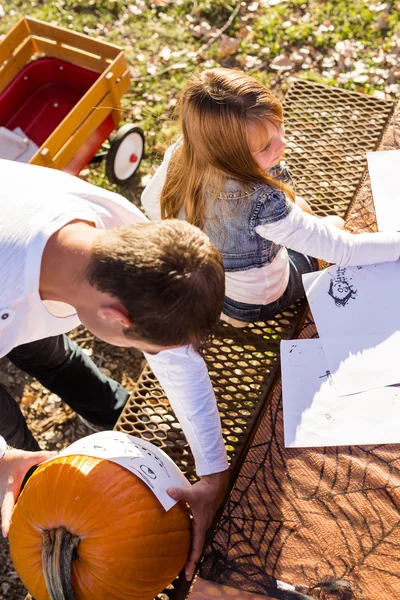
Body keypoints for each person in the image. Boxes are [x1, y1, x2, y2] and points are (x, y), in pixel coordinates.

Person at [0, 159, 229, 579]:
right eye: (147, 347)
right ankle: (28, 480)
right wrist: (1, 456)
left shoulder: (123, 231)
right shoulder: (7, 288)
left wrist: (214, 472)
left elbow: (177, 355)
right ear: (117, 316)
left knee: (49, 352)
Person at [141, 67, 400, 326]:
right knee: (335, 224)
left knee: (299, 207)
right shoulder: (261, 203)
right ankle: (238, 315)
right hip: (254, 303)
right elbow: (345, 249)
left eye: (279, 128)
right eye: (266, 146)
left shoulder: (185, 150)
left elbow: (150, 203)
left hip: (210, 284)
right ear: (231, 156)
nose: (282, 145)